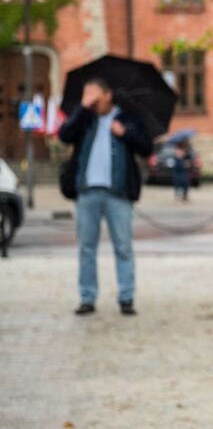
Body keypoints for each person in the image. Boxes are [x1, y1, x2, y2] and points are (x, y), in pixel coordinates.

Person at [59, 77, 152, 316]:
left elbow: (147, 147)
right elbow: (65, 135)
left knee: (123, 247)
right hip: (87, 191)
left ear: (107, 95)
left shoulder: (127, 118)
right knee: (86, 248)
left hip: (118, 193)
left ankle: (126, 297)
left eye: (93, 95)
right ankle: (87, 298)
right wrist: (82, 109)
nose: (90, 100)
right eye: (86, 96)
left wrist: (125, 133)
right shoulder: (85, 118)